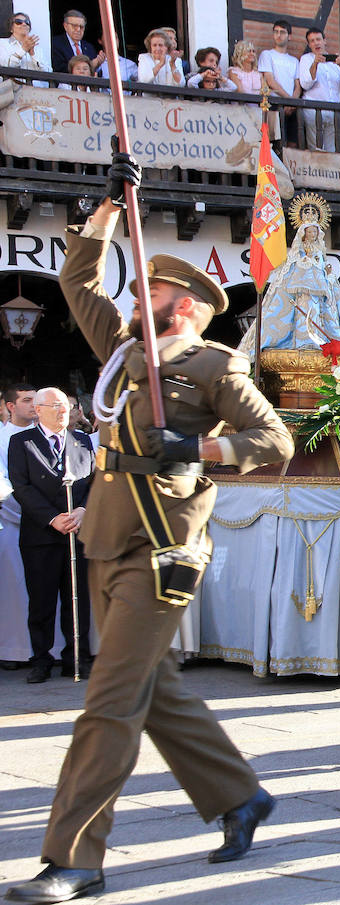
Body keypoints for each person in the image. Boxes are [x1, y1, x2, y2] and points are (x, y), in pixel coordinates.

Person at [3, 151, 295, 905]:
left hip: (160, 552)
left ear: (189, 305)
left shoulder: (210, 367)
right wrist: (104, 211)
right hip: (106, 538)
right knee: (152, 688)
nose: (147, 290)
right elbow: (78, 282)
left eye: (160, 286)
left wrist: (197, 446)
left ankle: (74, 857)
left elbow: (275, 442)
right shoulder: (125, 354)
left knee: (109, 700)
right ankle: (239, 795)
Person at [7, 388, 94, 685]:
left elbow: (93, 481)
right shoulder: (21, 442)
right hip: (42, 534)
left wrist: (83, 510)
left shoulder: (82, 441)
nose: (63, 411)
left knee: (78, 599)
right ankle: (40, 659)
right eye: (56, 406)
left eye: (66, 406)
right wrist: (53, 518)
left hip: (78, 531)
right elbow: (22, 487)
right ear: (39, 410)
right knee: (41, 600)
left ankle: (77, 657)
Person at [251, 195, 340, 356]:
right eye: (310, 231)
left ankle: (329, 338)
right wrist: (305, 262)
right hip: (304, 286)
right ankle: (305, 339)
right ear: (304, 233)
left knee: (328, 309)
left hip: (321, 284)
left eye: (315, 231)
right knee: (306, 309)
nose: (313, 234)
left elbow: (323, 263)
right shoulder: (300, 249)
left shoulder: (320, 248)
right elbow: (295, 262)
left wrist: (327, 271)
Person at [0, 384, 38, 669]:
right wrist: (35, 512)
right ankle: (14, 650)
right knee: (15, 587)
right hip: (13, 522)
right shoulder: (2, 440)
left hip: (53, 524)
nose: (33, 405)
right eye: (26, 400)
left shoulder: (46, 437)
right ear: (10, 406)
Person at [296, 27, 340, 152]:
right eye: (312, 41)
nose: (316, 43)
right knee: (316, 150)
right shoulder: (306, 59)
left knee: (332, 150)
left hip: (333, 113)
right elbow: (305, 84)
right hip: (313, 112)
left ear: (324, 41)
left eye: (318, 39)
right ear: (309, 45)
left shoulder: (334, 62)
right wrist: (315, 64)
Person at [258, 20, 301, 144]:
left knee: (292, 143)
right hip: (275, 102)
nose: (278, 35)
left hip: (291, 107)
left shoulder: (294, 61)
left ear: (289, 36)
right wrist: (289, 101)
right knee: (276, 142)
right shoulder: (267, 55)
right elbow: (270, 81)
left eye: (282, 32)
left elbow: (298, 86)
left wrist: (291, 103)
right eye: (276, 32)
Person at [50, 9, 99, 77]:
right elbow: (58, 68)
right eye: (74, 26)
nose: (78, 29)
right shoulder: (55, 44)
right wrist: (90, 66)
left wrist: (97, 65)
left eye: (81, 27)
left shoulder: (89, 47)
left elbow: (98, 73)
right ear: (65, 26)